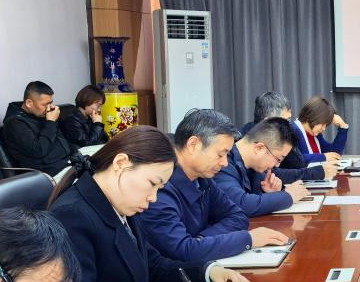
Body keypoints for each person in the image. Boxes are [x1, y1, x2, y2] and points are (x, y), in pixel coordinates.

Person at [45, 126, 251, 282]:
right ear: (121, 163)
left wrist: (208, 271)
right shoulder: (72, 216)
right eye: (152, 183)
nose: (153, 198)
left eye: (159, 189)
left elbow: (152, 266)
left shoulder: (119, 203)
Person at [140, 109, 289, 262]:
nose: (225, 163)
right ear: (193, 145)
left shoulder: (203, 179)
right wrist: (247, 239)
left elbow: (238, 216)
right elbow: (183, 251)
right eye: (220, 154)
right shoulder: (159, 189)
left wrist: (201, 240)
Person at [213, 118, 313, 217]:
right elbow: (241, 204)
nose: (277, 165)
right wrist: (288, 196)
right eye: (278, 159)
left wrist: (269, 193)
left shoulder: (255, 166)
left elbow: (254, 199)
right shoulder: (222, 163)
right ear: (259, 148)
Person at [242, 91, 336, 183]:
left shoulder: (279, 134)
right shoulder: (249, 138)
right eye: (286, 120)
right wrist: (316, 172)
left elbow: (299, 162)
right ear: (268, 121)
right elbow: (270, 175)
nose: (289, 125)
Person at [1, 80, 75, 176]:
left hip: (66, 162)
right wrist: (51, 122)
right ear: (29, 103)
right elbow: (39, 151)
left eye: (50, 103)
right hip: (47, 173)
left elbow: (61, 140)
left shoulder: (40, 114)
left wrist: (75, 155)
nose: (49, 108)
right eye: (45, 104)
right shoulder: (14, 123)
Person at [295, 96, 349, 164]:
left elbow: (334, 154)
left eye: (326, 125)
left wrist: (343, 127)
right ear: (314, 116)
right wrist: (323, 157)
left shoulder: (315, 135)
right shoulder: (292, 131)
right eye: (323, 124)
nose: (324, 129)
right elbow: (295, 159)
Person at [60, 85, 109, 150]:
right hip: (84, 153)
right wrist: (97, 124)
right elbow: (88, 145)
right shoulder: (72, 121)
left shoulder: (90, 117)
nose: (99, 109)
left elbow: (105, 139)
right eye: (98, 106)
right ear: (87, 100)